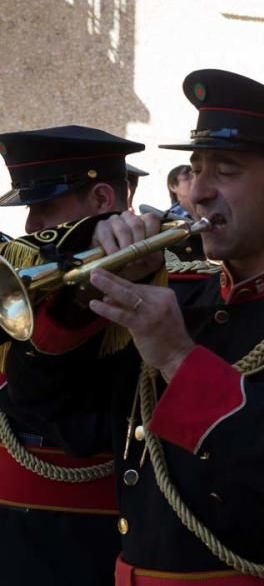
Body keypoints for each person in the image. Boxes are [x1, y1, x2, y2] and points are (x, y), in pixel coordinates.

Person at [4, 69, 264, 586]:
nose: (199, 192)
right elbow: (49, 411)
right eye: (196, 170)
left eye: (226, 170)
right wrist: (84, 302)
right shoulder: (178, 288)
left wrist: (178, 358)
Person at [0, 124, 142, 585]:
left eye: (43, 209)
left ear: (102, 200)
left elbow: (68, 418)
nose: (30, 227)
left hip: (96, 539)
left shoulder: (171, 278)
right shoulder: (32, 267)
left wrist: (79, 300)